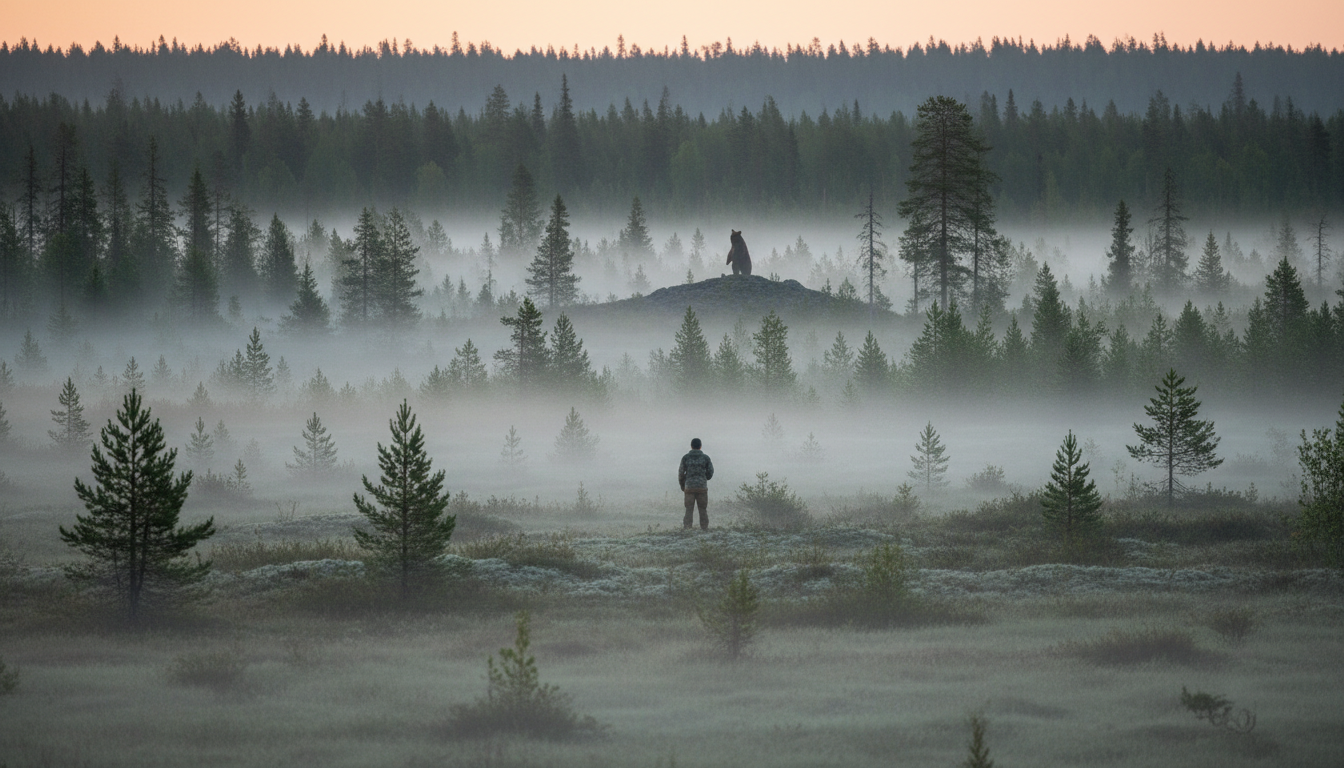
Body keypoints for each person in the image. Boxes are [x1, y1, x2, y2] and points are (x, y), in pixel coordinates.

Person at [678, 438, 714, 530]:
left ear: (691, 446)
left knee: (689, 509)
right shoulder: (705, 458)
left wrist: (683, 486)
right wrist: (705, 477)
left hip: (689, 487)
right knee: (702, 509)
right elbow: (710, 471)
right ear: (700, 446)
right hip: (702, 487)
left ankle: (687, 528)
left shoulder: (685, 457)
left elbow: (681, 473)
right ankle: (704, 528)